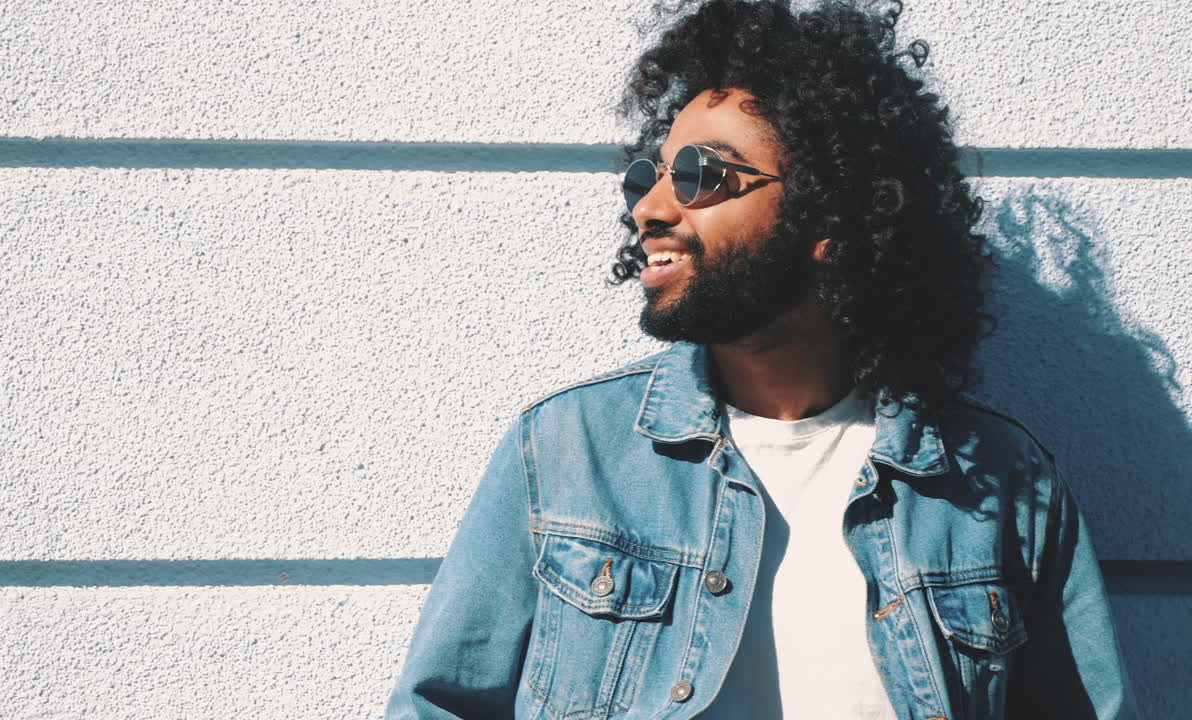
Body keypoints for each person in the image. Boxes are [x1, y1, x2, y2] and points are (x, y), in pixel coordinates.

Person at [386, 1, 1138, 717]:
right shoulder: (565, 454)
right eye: (647, 177)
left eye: (701, 176)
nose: (648, 208)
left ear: (829, 213)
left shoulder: (997, 483)